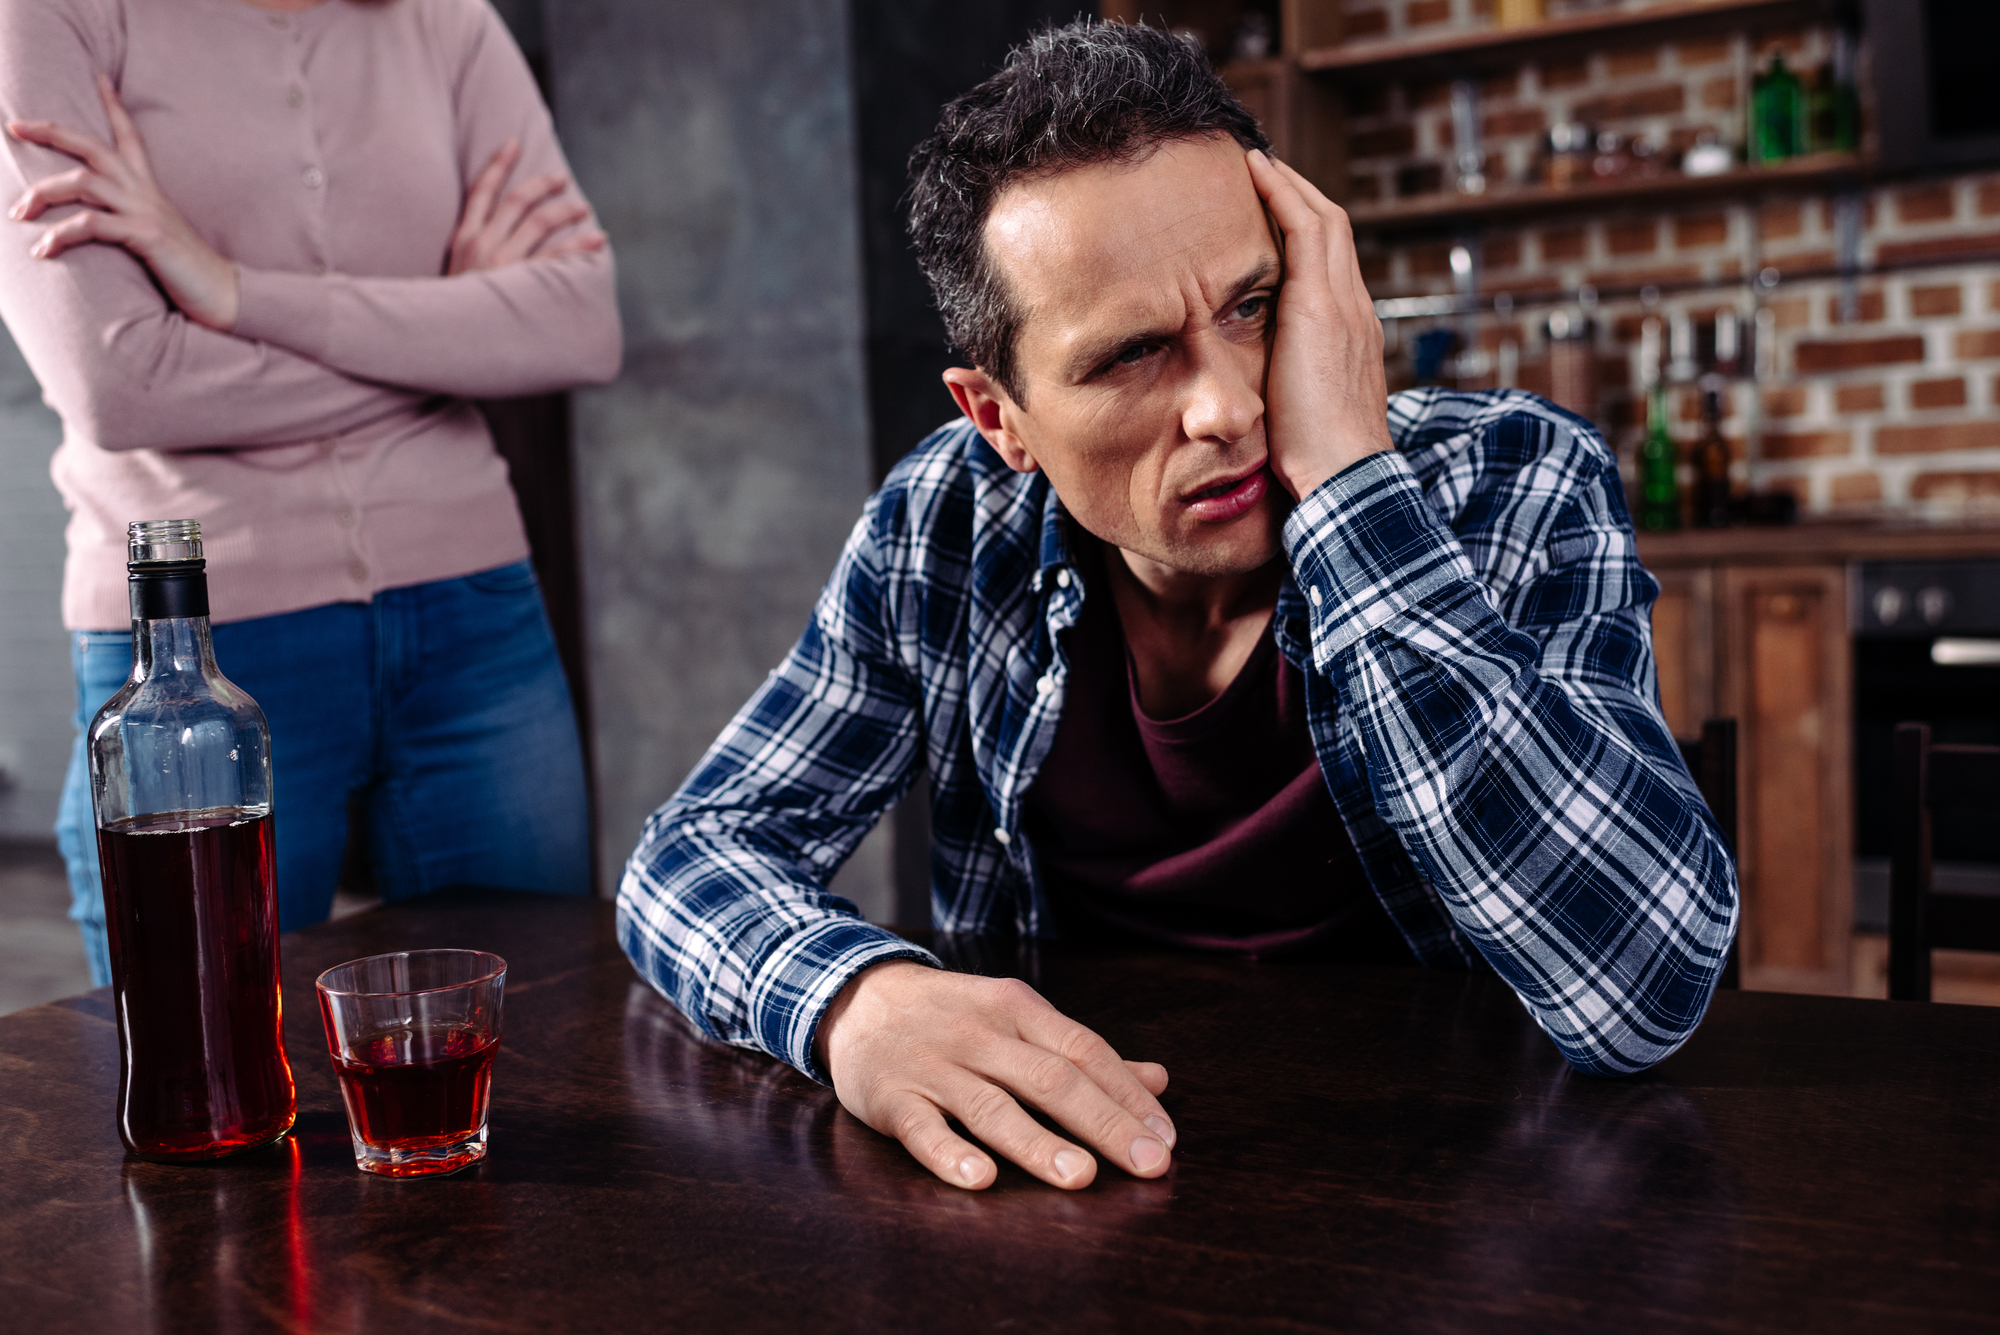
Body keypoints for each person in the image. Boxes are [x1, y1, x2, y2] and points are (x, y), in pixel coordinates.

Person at [617, 21, 1736, 1193]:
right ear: (995, 416)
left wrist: (1353, 488)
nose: (1225, 408)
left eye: (1253, 307)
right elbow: (694, 850)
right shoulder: (942, 523)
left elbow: (1640, 993)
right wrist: (854, 1000)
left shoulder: (1509, 479)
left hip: (1466, 1191)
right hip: (1075, 1187)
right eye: (1132, 355)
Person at [0, 0, 620, 984]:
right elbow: (120, 382)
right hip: (192, 649)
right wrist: (448, 336)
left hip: (477, 625)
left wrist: (231, 292)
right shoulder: (58, 18)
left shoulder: (446, 22)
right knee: (211, 1076)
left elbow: (581, 325)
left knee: (545, 1041)